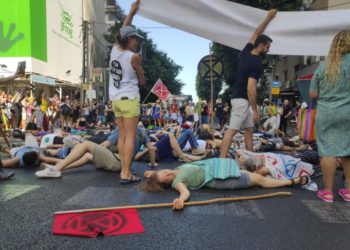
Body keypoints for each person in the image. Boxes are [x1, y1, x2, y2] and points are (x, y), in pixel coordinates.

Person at [141, 158, 308, 210]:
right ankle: (290, 182)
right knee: (258, 181)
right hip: (220, 180)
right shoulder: (178, 182)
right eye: (166, 179)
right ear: (168, 183)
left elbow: (193, 161)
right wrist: (181, 200)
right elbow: (185, 192)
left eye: (164, 172)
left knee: (254, 175)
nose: (168, 175)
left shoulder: (177, 168)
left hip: (219, 168)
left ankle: (280, 178)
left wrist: (151, 174)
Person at [220, 10, 277, 157]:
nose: (268, 50)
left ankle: (251, 158)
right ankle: (221, 160)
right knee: (231, 130)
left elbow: (257, 32)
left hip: (238, 97)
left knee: (249, 129)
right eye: (267, 47)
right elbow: (251, 88)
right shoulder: (257, 64)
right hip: (241, 100)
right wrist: (256, 110)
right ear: (260, 46)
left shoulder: (246, 51)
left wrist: (268, 18)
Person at [309, 30, 350, 203]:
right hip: (347, 112)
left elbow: (312, 94)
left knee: (327, 150)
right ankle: (348, 192)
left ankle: (327, 192)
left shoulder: (323, 66)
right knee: (348, 151)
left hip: (326, 113)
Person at [109, 0, 145, 184]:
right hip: (130, 98)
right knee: (130, 136)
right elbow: (142, 80)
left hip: (115, 99)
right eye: (135, 38)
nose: (137, 41)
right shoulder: (134, 57)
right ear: (129, 39)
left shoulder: (114, 50)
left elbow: (124, 27)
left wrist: (131, 11)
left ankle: (124, 171)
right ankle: (126, 172)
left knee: (122, 136)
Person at [35, 141, 121, 178]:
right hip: (118, 159)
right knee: (87, 155)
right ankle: (56, 167)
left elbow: (108, 143)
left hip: (119, 161)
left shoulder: (127, 124)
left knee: (85, 145)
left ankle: (56, 168)